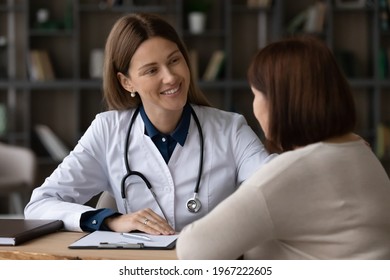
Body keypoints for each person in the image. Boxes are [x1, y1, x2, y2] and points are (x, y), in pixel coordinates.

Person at [24, 13, 274, 234]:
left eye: (174, 60)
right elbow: (40, 204)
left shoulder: (230, 129)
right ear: (126, 83)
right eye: (152, 70)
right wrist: (111, 220)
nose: (170, 77)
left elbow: (276, 187)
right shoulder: (107, 131)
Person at [176, 36, 390, 259]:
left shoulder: (293, 172)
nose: (255, 106)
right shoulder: (361, 152)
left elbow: (193, 249)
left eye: (255, 94)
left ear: (278, 103)